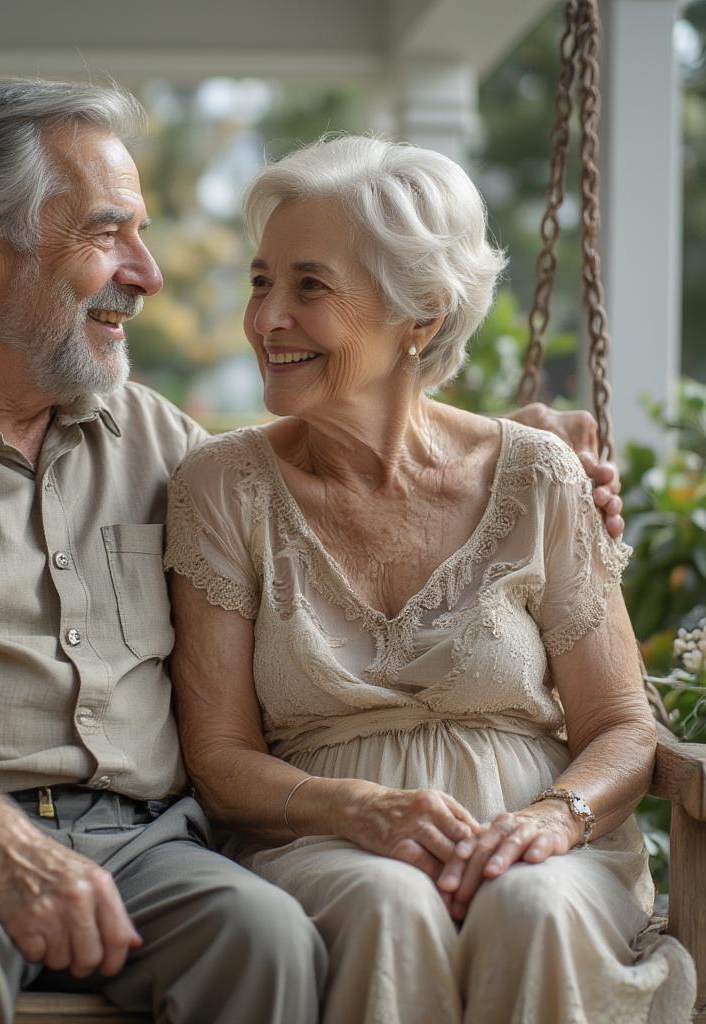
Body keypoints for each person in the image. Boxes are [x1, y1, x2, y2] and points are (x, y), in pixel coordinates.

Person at [0, 81, 625, 1023]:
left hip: (148, 848)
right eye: (107, 233)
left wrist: (508, 447)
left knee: (266, 936)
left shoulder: (162, 443)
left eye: (145, 233)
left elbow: (333, 472)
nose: (149, 272)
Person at [164, 134, 696, 1024]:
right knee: (389, 903)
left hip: (542, 843)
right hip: (321, 842)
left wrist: (555, 819)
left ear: (422, 313)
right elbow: (218, 761)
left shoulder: (537, 474)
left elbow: (620, 724)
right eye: (262, 282)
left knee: (530, 904)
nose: (266, 320)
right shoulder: (224, 487)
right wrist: (360, 811)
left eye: (309, 285)